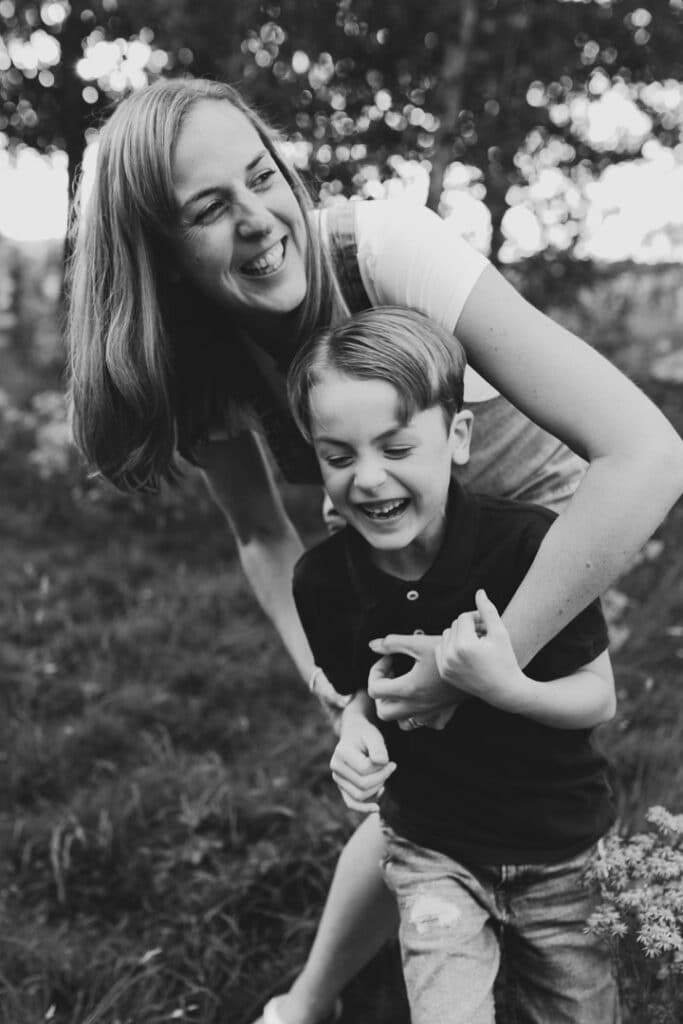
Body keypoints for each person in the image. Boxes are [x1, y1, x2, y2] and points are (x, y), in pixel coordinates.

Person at [64, 77, 683, 1024]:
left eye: (262, 176)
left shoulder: (384, 249)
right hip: (391, 537)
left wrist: (478, 667)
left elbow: (646, 457)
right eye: (208, 209)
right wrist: (333, 686)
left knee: (505, 770)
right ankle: (312, 1003)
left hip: (537, 534)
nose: (261, 219)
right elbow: (262, 537)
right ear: (157, 248)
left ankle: (473, 968)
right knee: (413, 789)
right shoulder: (195, 361)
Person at [289, 307, 619, 1024]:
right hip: (432, 849)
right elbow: (358, 697)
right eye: (339, 457)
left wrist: (504, 687)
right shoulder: (322, 581)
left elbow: (596, 700)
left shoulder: (529, 546)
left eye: (396, 448)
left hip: (562, 852)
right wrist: (352, 733)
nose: (369, 480)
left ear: (457, 436)